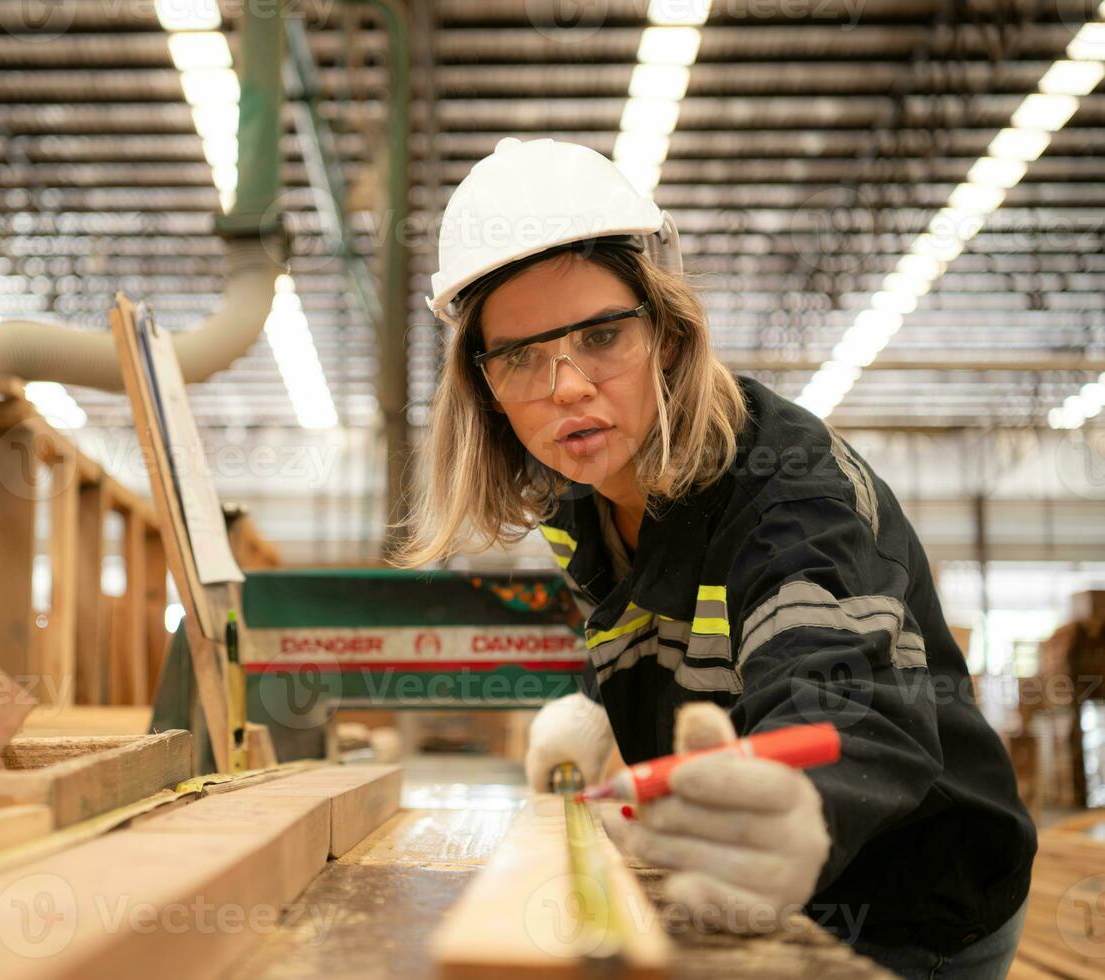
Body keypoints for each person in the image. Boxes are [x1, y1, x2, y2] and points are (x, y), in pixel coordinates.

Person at [394, 137, 1036, 979]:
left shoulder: (795, 493)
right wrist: (592, 711)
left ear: (665, 334)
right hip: (763, 896)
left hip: (921, 904)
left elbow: (843, 696)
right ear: (484, 389)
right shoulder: (573, 491)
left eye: (599, 336)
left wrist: (803, 807)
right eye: (520, 357)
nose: (566, 387)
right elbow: (636, 625)